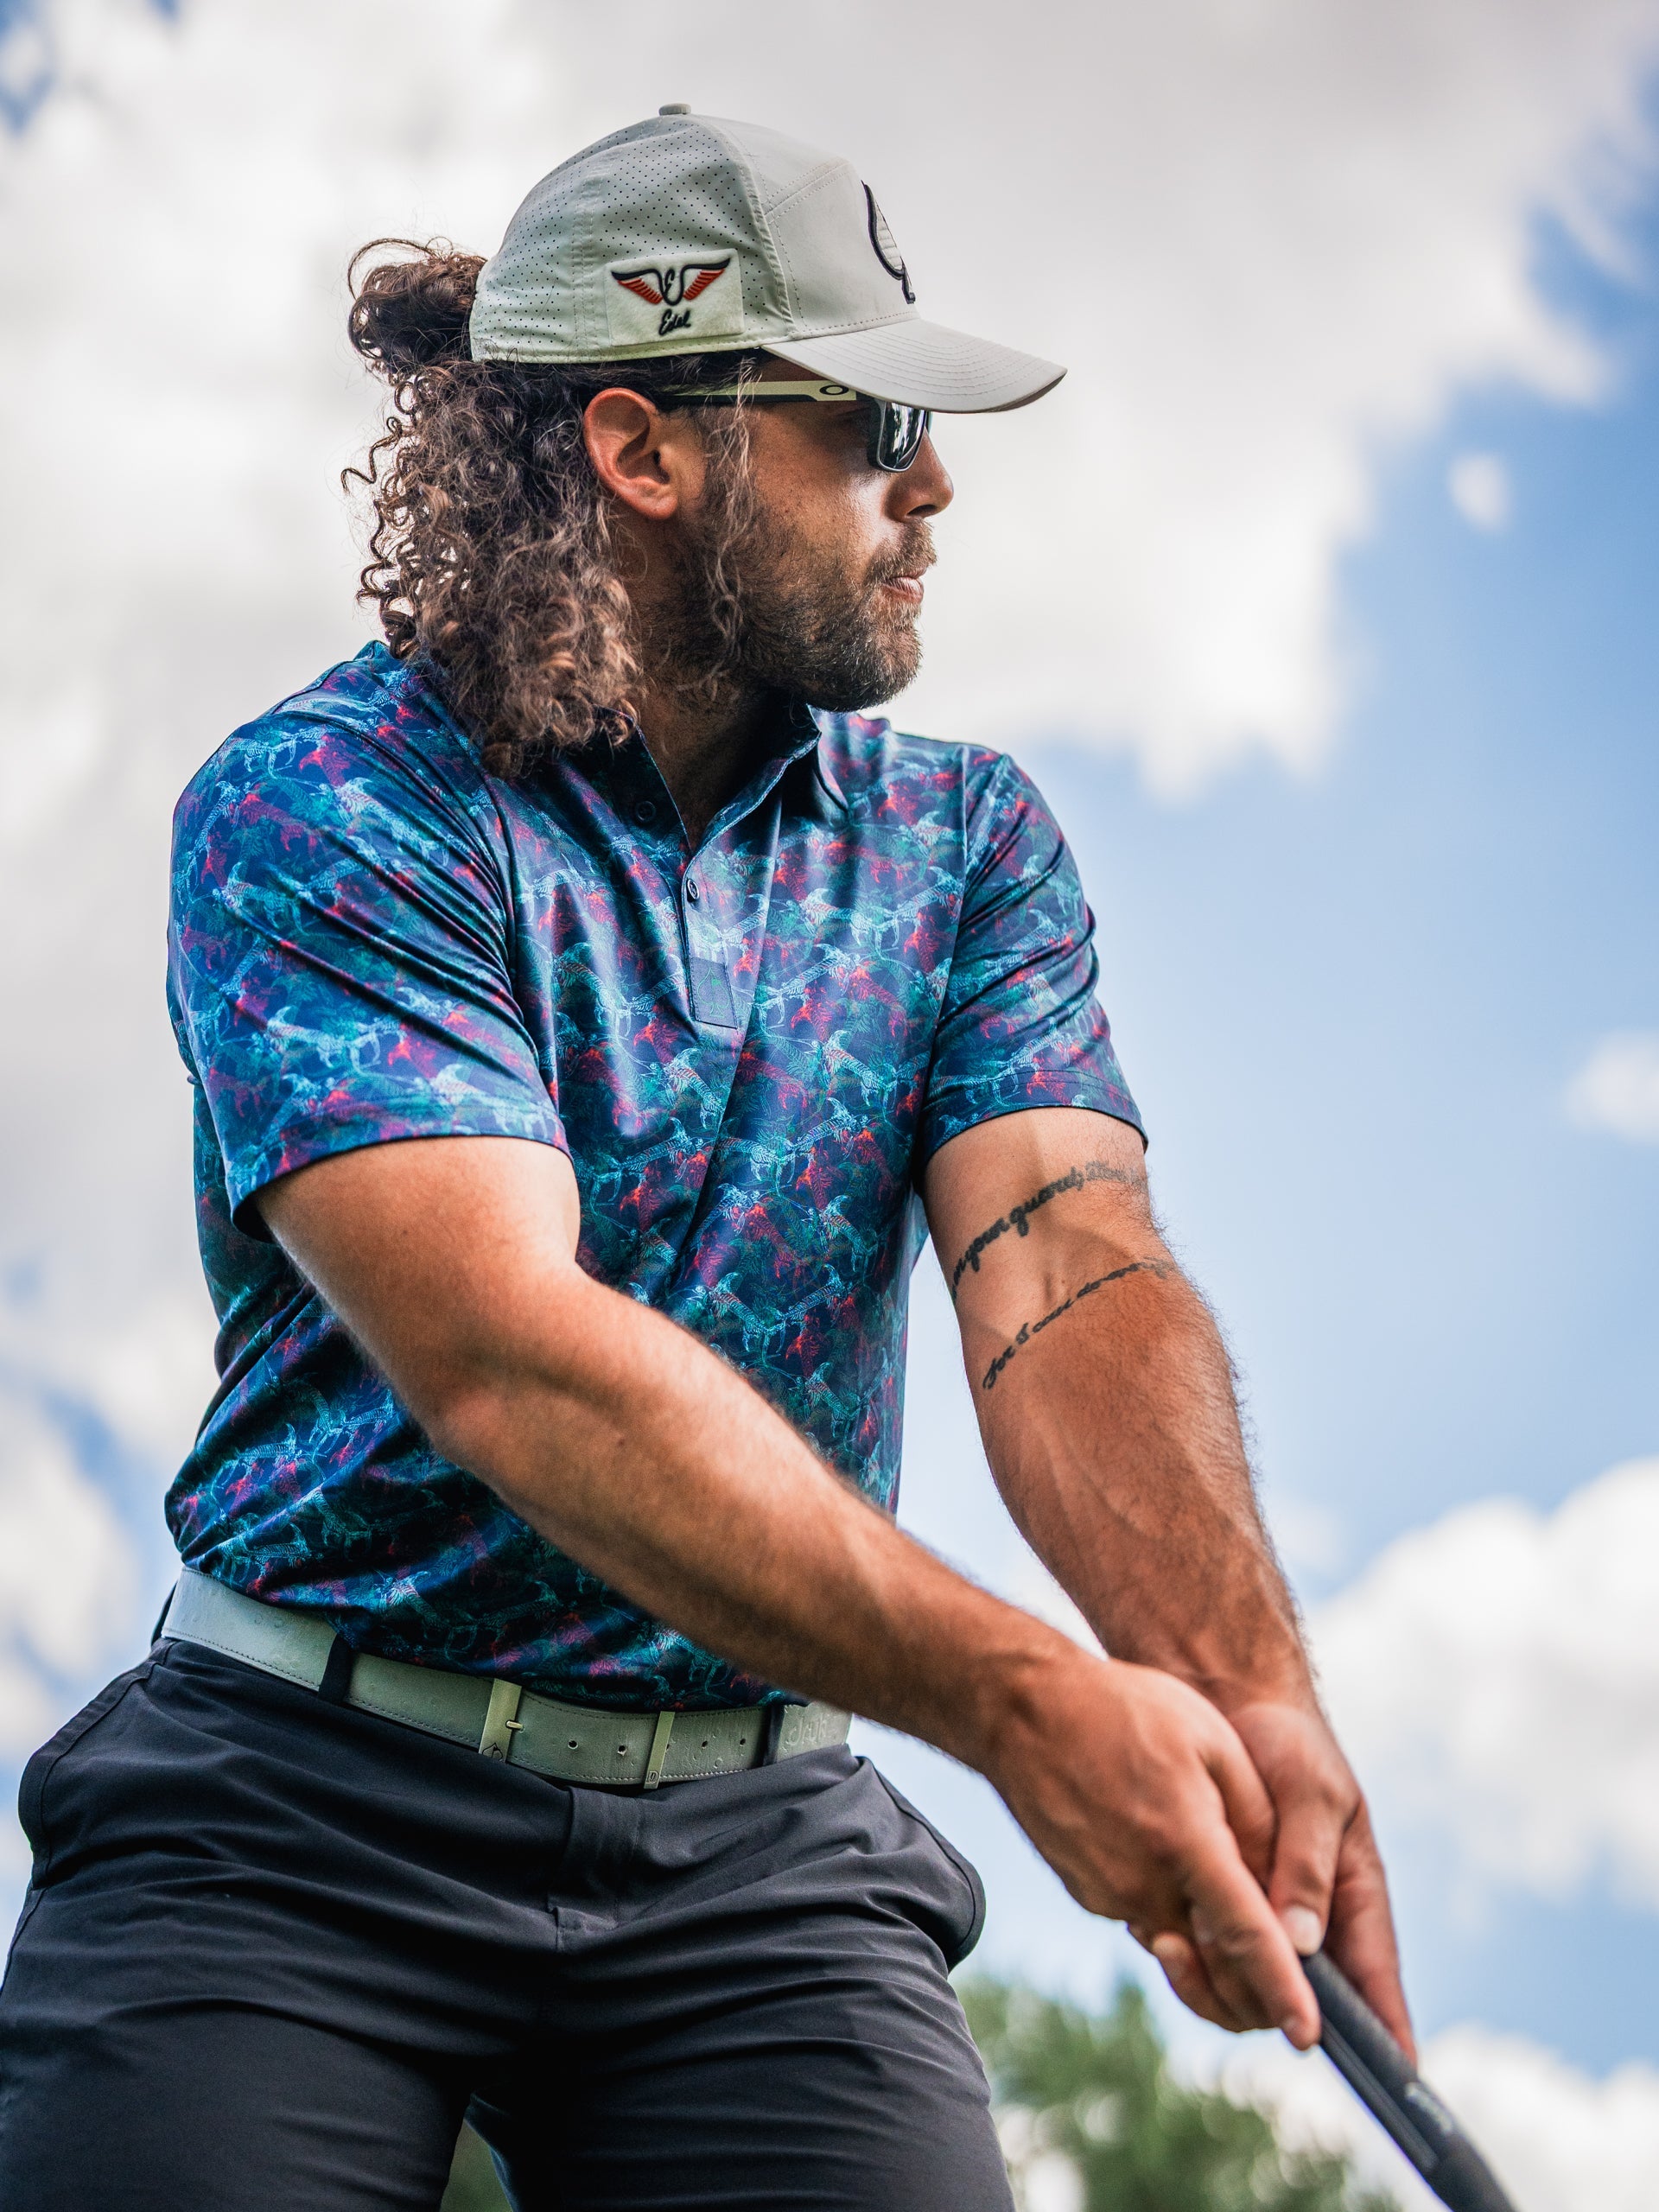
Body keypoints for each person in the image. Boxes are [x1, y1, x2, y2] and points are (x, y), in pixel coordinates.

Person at [0, 108, 1410, 2212]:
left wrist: (1241, 1684)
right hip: (295, 1803)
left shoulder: (964, 845)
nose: (931, 484)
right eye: (868, 423)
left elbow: (1063, 1269)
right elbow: (514, 1361)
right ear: (644, 451)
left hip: (757, 1855)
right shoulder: (328, 802)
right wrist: (1030, 1701)